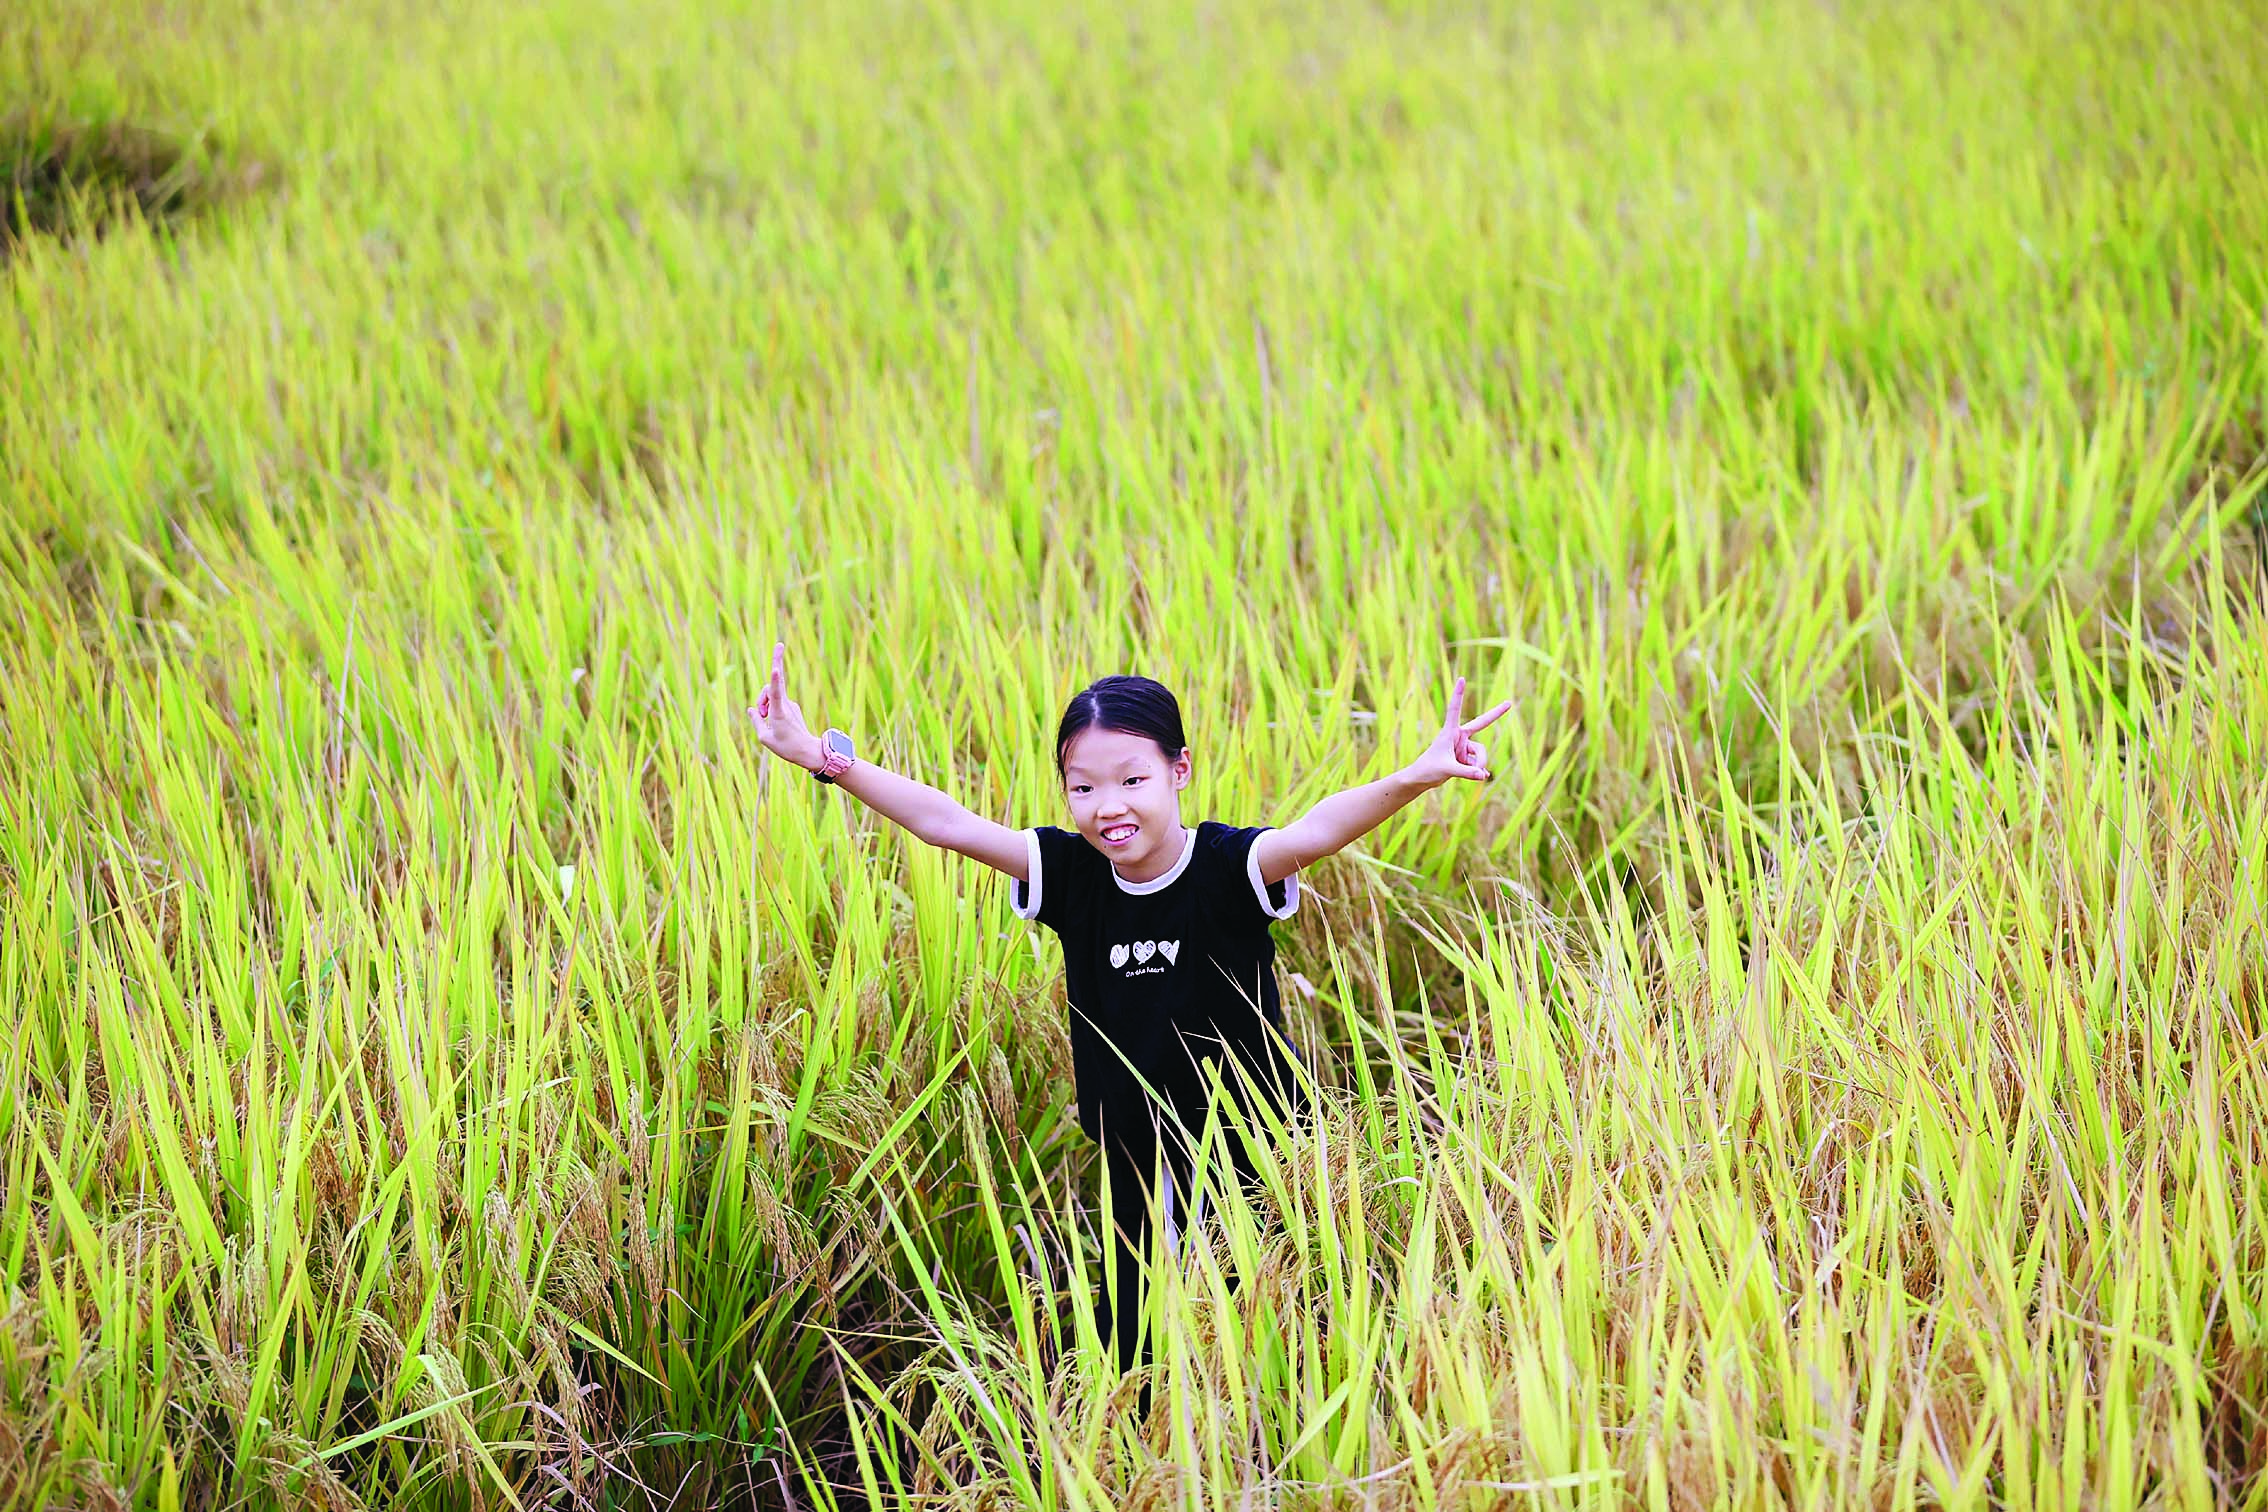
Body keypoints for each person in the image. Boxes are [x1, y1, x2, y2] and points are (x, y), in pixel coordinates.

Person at [748, 643, 1508, 1377]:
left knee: (1268, 1336)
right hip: (1137, 1159)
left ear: (1179, 770)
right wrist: (821, 757)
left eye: (1132, 780)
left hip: (1252, 1153)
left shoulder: (1226, 866)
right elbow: (944, 824)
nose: (1108, 807)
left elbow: (1318, 829)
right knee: (1139, 1348)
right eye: (1082, 788)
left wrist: (1417, 775)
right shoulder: (1071, 874)